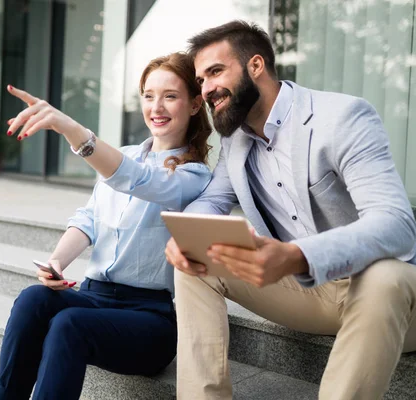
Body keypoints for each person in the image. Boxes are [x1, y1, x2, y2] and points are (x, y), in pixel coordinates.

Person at [165, 20, 416, 400]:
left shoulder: (343, 117)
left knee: (384, 277)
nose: (207, 89)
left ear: (255, 66)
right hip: (311, 292)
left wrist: (298, 256)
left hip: (389, 298)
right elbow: (214, 200)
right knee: (194, 266)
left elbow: (397, 225)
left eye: (216, 72)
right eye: (201, 80)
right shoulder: (236, 140)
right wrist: (185, 234)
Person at [0, 52, 213, 400]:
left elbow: (138, 180)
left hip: (149, 317)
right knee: (34, 299)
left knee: (69, 324)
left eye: (170, 96)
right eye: (149, 95)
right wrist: (57, 262)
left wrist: (70, 128)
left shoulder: (194, 177)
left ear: (195, 104)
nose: (157, 107)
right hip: (95, 297)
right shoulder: (122, 155)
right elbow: (88, 219)